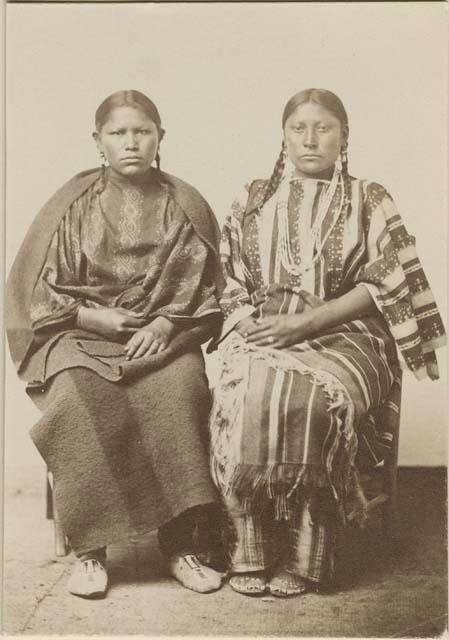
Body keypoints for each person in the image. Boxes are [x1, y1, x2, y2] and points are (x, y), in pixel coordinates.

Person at [209, 88, 446, 597]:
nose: (311, 138)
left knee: (318, 400)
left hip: (350, 333)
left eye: (324, 128)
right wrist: (248, 319)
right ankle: (251, 544)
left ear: (344, 136)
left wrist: (308, 325)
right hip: (266, 327)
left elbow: (386, 281)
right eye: (299, 127)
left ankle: (309, 552)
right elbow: (224, 273)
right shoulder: (251, 197)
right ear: (284, 135)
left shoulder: (369, 197)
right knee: (242, 391)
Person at [6, 90, 226, 598]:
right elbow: (39, 286)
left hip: (164, 337)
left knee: (179, 394)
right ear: (98, 141)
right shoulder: (72, 205)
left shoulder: (185, 204)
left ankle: (181, 546)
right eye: (118, 133)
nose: (131, 142)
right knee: (76, 400)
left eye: (142, 131)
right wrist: (89, 315)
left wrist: (168, 325)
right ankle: (90, 552)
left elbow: (204, 286)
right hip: (78, 334)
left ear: (160, 138)